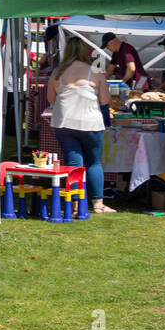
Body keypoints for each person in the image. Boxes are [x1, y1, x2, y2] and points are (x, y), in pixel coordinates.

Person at [47, 37, 115, 213]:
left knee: (73, 163)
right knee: (93, 163)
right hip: (90, 123)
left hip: (64, 123)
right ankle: (98, 204)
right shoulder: (96, 72)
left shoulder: (57, 73)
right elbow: (105, 100)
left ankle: (76, 204)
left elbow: (50, 99)